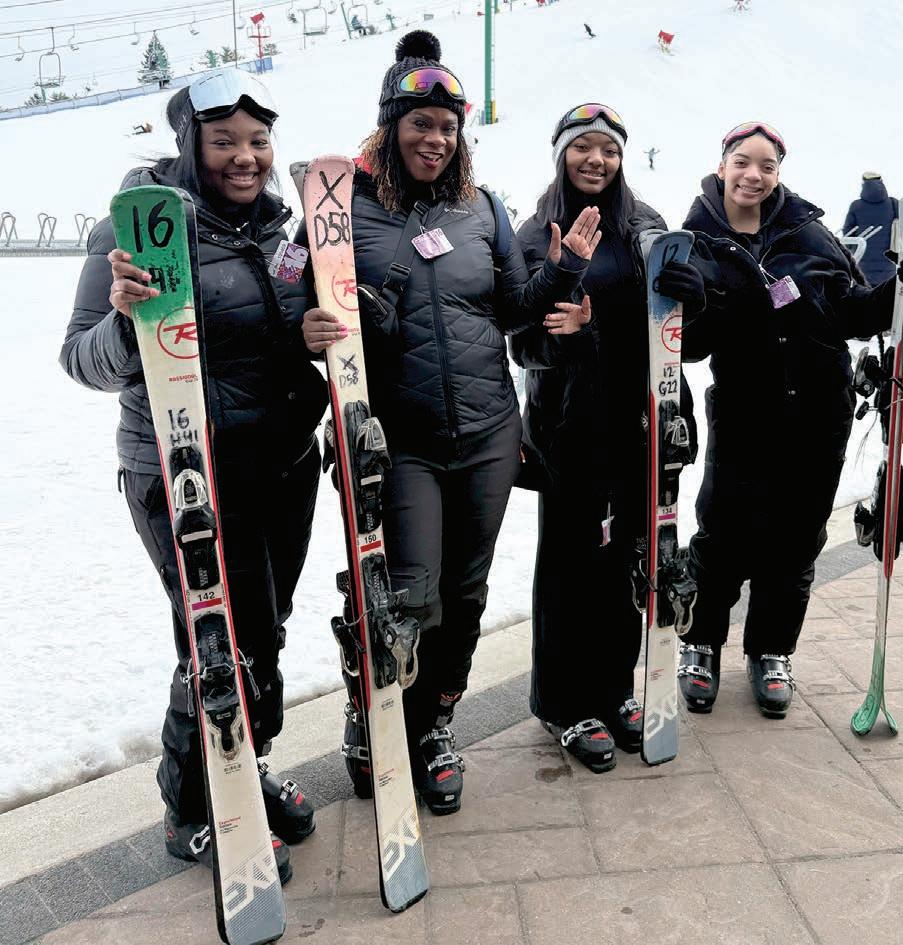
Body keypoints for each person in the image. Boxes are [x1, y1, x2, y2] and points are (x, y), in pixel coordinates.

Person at [300, 31, 598, 813]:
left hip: (489, 431)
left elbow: (514, 308)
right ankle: (373, 715)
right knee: (407, 595)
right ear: (389, 125)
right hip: (401, 439)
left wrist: (564, 271)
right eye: (419, 124)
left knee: (464, 594)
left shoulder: (482, 207)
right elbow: (294, 304)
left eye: (447, 126)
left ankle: (433, 724)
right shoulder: (337, 210)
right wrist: (311, 322)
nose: (435, 139)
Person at [61, 70, 328, 881]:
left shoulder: (281, 229)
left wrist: (319, 331)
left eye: (257, 141)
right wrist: (125, 319)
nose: (245, 157)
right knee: (217, 641)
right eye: (224, 142)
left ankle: (245, 764)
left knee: (262, 632)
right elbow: (81, 359)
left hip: (281, 462)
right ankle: (192, 806)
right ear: (188, 145)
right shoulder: (137, 229)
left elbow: (291, 327)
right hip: (184, 470)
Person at [677, 121, 903, 719]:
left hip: (820, 411)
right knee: (724, 532)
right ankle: (701, 642)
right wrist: (687, 299)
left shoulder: (810, 234)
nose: (754, 175)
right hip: (745, 411)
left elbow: (855, 313)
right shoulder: (696, 241)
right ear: (721, 167)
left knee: (796, 538)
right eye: (743, 162)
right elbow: (686, 345)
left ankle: (771, 650)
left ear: (778, 174)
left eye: (767, 166)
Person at [510, 103, 701, 771]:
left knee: (628, 559)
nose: (596, 159)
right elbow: (522, 341)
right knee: (571, 565)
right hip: (569, 424)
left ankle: (617, 687)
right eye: (582, 147)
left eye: (609, 149)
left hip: (637, 418)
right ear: (560, 153)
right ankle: (564, 702)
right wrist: (571, 335)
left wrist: (693, 292)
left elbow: (673, 331)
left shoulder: (644, 225)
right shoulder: (535, 233)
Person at [842, 172, 896, 285]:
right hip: (888, 266)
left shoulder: (856, 206)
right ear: (881, 182)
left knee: (865, 293)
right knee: (886, 293)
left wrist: (851, 251)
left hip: (862, 267)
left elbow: (847, 235)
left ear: (863, 184)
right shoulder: (893, 204)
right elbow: (902, 231)